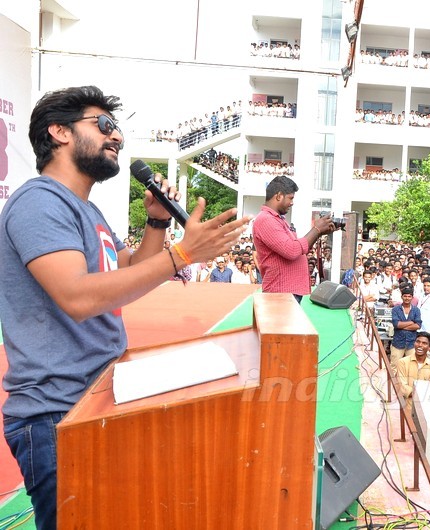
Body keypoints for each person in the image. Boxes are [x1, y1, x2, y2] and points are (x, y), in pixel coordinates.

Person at [0, 86, 250, 530]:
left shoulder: (87, 210)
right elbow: (78, 297)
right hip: (57, 412)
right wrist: (183, 255)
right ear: (59, 132)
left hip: (94, 399)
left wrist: (156, 221)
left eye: (117, 128)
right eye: (103, 125)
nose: (116, 137)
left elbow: (131, 269)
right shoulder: (40, 201)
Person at [252, 176, 336, 302]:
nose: (292, 202)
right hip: (280, 292)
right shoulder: (266, 219)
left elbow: (299, 250)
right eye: (290, 198)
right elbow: (291, 251)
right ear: (279, 196)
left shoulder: (277, 219)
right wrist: (316, 229)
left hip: (286, 291)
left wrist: (319, 232)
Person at [395, 332, 430, 405]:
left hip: (425, 408)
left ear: (429, 347)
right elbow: (401, 386)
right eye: (418, 342)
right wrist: (423, 395)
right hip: (406, 407)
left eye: (424, 343)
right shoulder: (403, 362)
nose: (420, 345)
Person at [390, 286, 422, 367]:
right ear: (402, 297)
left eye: (409, 296)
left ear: (412, 297)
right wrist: (411, 322)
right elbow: (396, 324)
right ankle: (392, 380)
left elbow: (418, 325)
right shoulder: (395, 309)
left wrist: (402, 326)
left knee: (411, 366)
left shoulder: (416, 310)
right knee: (394, 366)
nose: (407, 298)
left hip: (411, 343)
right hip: (398, 343)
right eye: (405, 296)